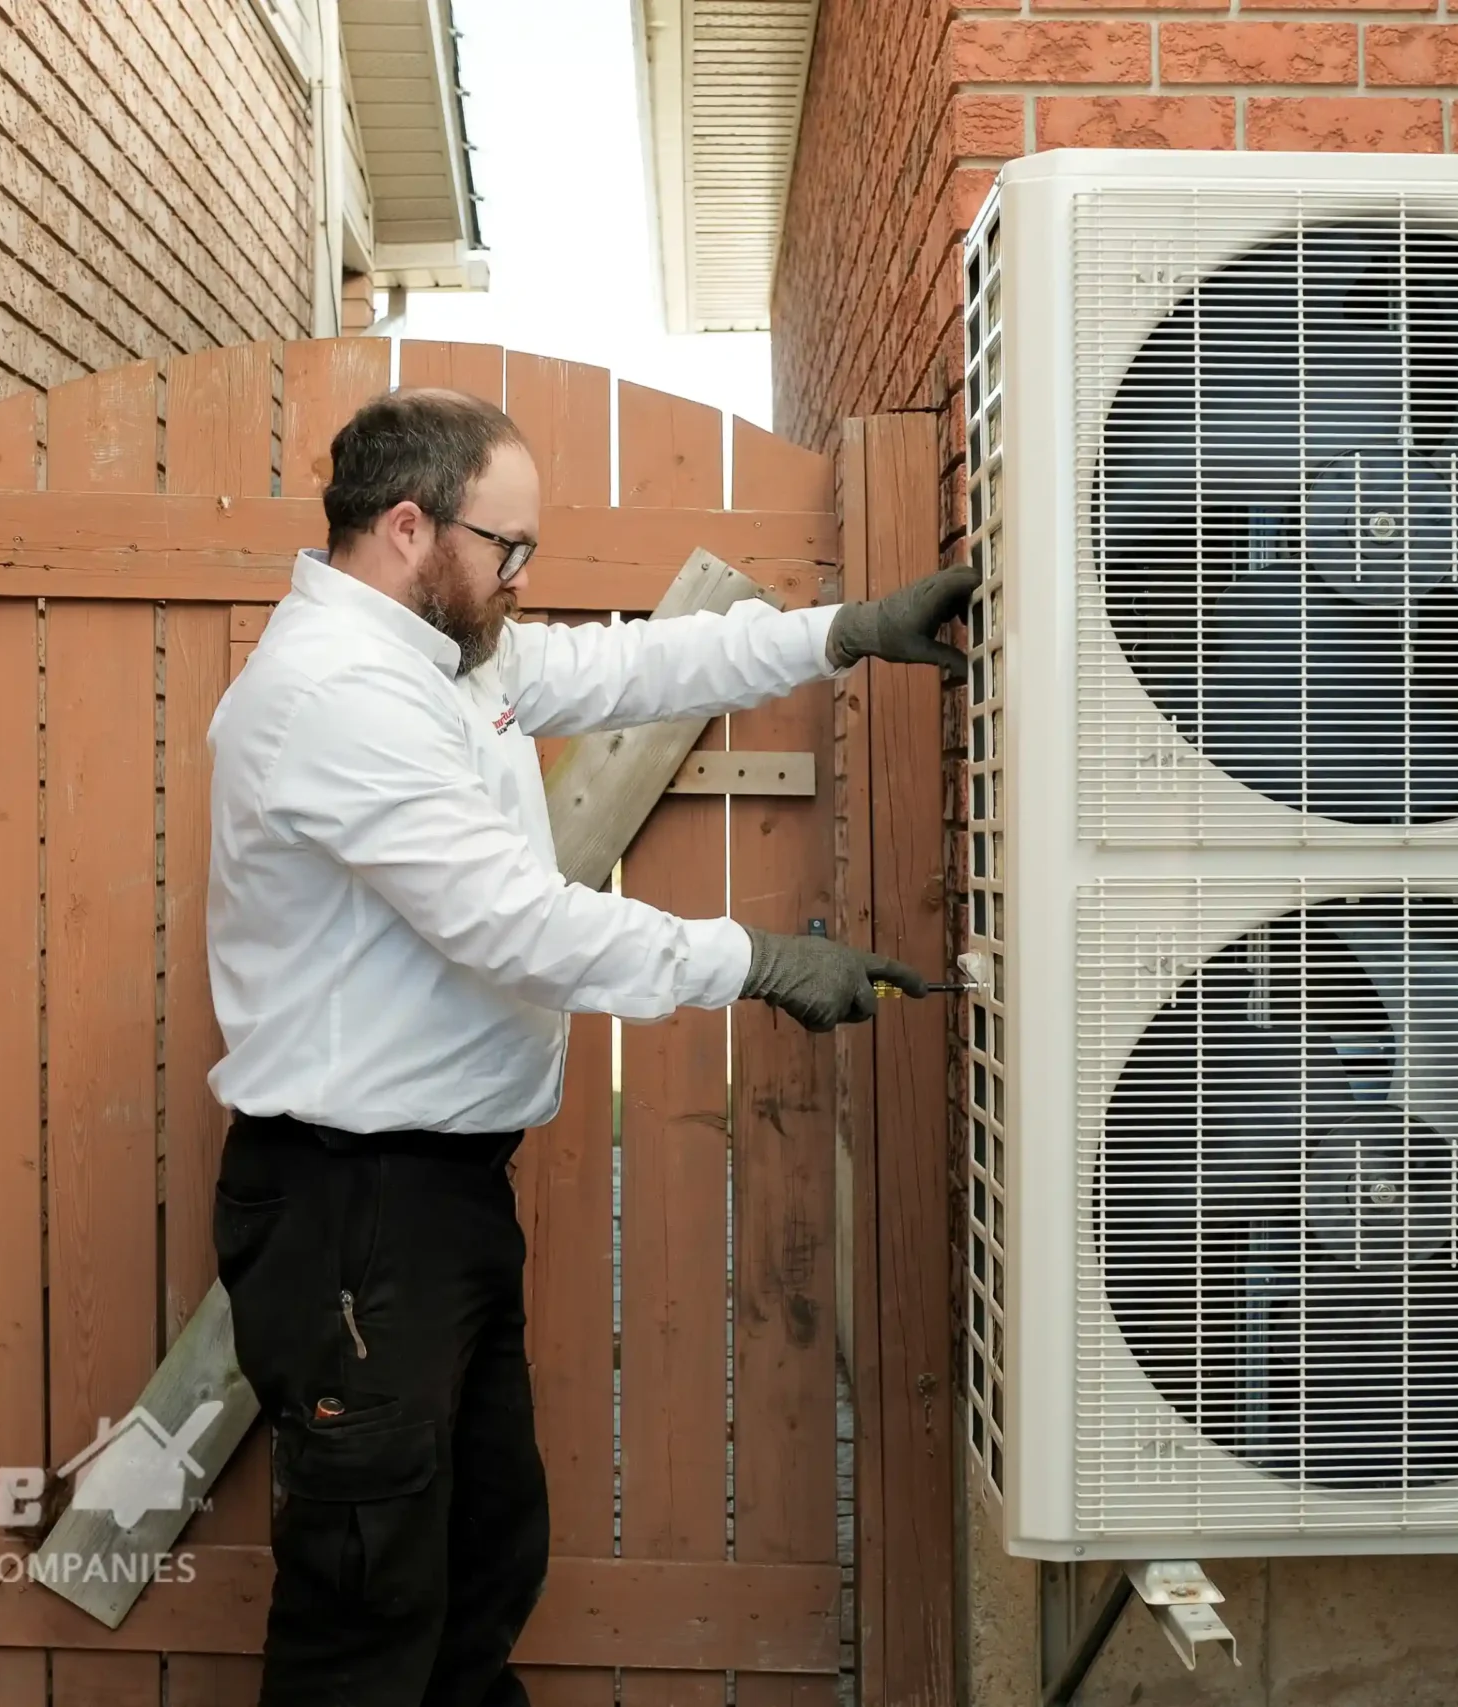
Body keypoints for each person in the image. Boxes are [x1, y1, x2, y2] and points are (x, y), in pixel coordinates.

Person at [202, 387, 977, 1707]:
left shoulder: (447, 658)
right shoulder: (334, 695)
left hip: (432, 1202)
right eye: (507, 546)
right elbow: (512, 925)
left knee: (481, 1559)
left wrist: (841, 633)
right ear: (410, 527)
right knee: (366, 1604)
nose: (522, 575)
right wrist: (756, 961)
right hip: (353, 1214)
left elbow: (633, 670)